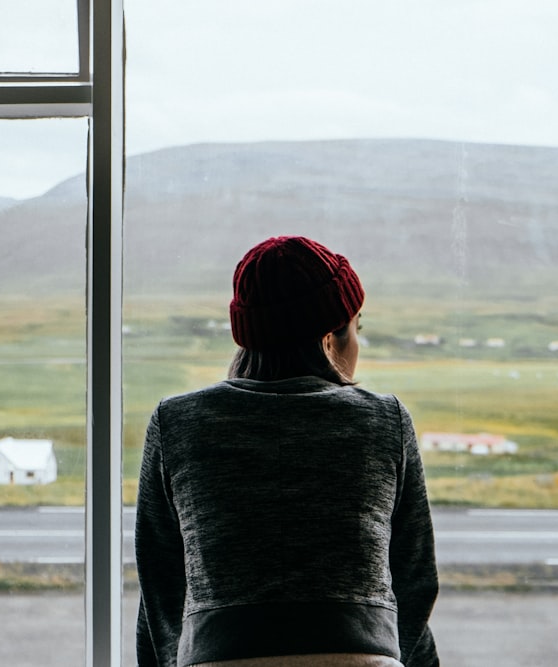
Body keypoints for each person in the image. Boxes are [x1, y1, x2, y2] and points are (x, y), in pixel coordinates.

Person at [136, 236, 439, 667]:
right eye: (357, 327)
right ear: (329, 337)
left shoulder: (177, 421)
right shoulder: (383, 418)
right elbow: (414, 579)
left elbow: (160, 588)